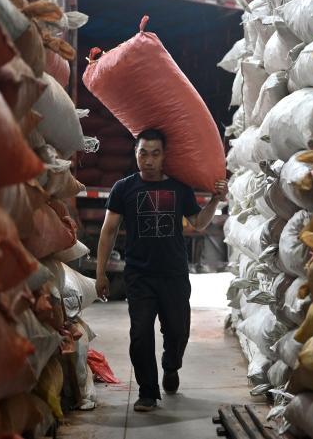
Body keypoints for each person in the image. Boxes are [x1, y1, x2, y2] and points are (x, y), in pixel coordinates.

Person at [94, 128, 228, 412]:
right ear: (135, 154)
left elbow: (198, 223)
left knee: (178, 332)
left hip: (173, 275)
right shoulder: (123, 189)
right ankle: (147, 392)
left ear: (165, 156)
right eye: (143, 153)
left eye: (155, 154)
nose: (149, 160)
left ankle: (171, 365)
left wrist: (215, 199)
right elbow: (108, 231)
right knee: (140, 334)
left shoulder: (179, 189)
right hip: (139, 275)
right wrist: (100, 272)